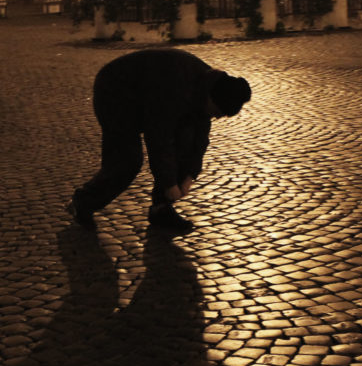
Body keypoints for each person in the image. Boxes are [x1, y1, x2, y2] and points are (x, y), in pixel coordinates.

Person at [67, 49, 252, 235]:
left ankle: (161, 211)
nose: (215, 118)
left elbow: (199, 141)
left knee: (185, 143)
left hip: (149, 96)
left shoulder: (207, 89)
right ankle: (83, 202)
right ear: (211, 99)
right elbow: (159, 139)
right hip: (115, 94)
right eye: (216, 113)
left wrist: (190, 175)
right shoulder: (174, 88)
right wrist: (170, 184)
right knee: (126, 161)